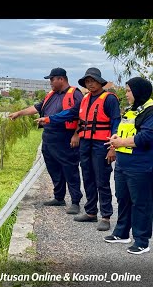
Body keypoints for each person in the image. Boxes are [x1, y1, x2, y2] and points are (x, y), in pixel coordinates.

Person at [36, 68, 121, 231]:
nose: (90, 84)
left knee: (101, 180)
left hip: (102, 144)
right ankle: (90, 213)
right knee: (88, 177)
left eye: (93, 81)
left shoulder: (109, 99)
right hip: (86, 143)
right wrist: (48, 119)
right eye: (87, 81)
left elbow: (115, 124)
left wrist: (113, 147)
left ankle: (105, 216)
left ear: (100, 82)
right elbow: (69, 113)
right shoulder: (85, 99)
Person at [9, 68, 83, 214]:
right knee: (53, 168)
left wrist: (77, 134)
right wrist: (19, 113)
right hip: (49, 136)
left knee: (70, 169)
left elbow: (81, 114)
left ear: (61, 79)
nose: (50, 83)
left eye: (51, 79)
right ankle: (59, 197)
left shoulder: (75, 94)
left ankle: (75, 201)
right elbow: (36, 108)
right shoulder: (51, 95)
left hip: (66, 136)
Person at [104, 77, 153, 254]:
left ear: (138, 91)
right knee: (122, 199)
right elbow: (125, 130)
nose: (126, 94)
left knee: (141, 203)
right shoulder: (132, 110)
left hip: (140, 166)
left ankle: (142, 240)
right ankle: (122, 233)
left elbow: (146, 137)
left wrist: (120, 142)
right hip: (123, 164)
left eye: (128, 91)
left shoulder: (150, 111)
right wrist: (116, 138)